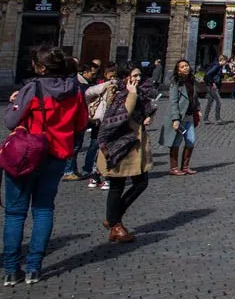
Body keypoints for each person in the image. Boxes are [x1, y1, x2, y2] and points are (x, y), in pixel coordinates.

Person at [3, 46, 88, 284]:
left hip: (27, 155)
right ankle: (34, 268)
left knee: (15, 212)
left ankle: (11, 269)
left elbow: (11, 120)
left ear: (41, 68)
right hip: (57, 155)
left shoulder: (33, 87)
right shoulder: (75, 90)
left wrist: (14, 102)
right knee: (43, 210)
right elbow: (81, 123)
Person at [98, 64, 155, 245]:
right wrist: (132, 94)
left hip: (133, 145)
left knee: (141, 182)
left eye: (139, 75)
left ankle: (113, 218)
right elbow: (121, 116)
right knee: (117, 185)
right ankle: (115, 224)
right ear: (125, 77)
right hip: (118, 146)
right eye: (134, 75)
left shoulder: (139, 92)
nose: (138, 79)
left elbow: (143, 111)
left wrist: (149, 113)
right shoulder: (117, 92)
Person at [161, 59, 200, 176]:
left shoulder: (192, 81)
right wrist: (175, 119)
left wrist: (197, 109)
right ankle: (174, 167)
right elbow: (173, 101)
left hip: (189, 116)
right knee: (176, 141)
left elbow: (195, 97)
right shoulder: (176, 83)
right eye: (182, 67)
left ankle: (185, 166)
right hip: (180, 116)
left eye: (186, 65)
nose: (186, 68)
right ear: (178, 70)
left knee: (191, 140)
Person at [202, 56, 225, 124]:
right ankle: (217, 119)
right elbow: (208, 74)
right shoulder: (216, 66)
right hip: (211, 86)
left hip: (210, 85)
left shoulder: (218, 66)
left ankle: (205, 119)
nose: (226, 63)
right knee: (218, 101)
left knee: (210, 102)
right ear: (222, 60)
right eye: (225, 61)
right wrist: (212, 83)